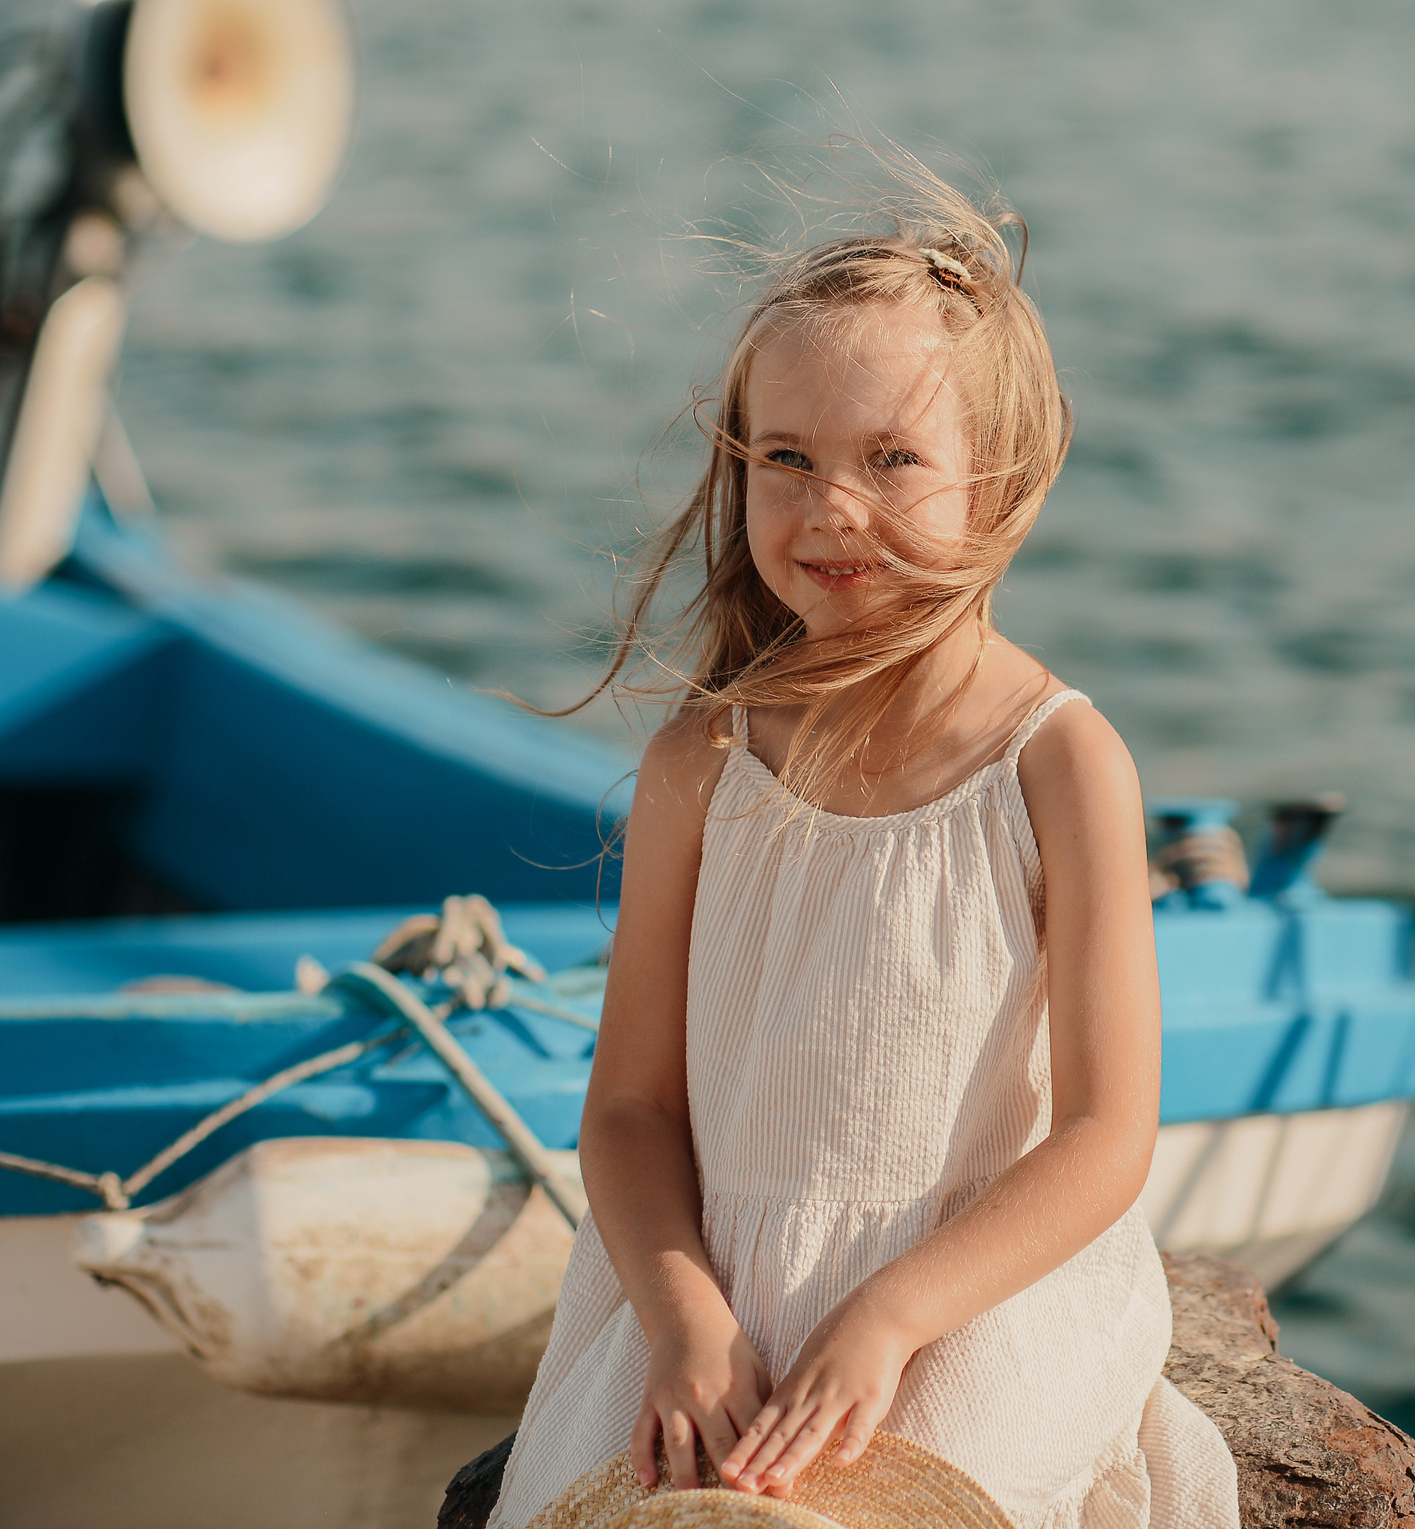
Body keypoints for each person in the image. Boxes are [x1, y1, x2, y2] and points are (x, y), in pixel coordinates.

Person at [485, 153, 1240, 1529]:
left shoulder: (1058, 761)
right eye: (790, 459)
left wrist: (893, 1312)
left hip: (961, 1293)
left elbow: (1106, 1132)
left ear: (996, 476)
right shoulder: (700, 767)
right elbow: (634, 1108)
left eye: (892, 458)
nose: (833, 506)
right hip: (713, 1282)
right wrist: (682, 1315)